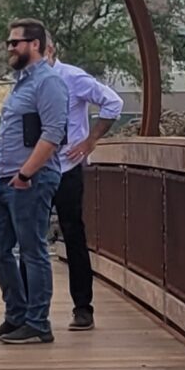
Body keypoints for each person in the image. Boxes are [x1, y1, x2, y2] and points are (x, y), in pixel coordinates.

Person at [0, 19, 70, 346]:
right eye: (8, 42)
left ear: (35, 45)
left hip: (29, 179)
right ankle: (16, 314)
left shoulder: (49, 83)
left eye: (15, 42)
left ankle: (37, 323)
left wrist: (25, 174)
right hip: (4, 179)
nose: (10, 48)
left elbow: (53, 134)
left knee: (32, 250)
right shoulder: (21, 83)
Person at [42, 37, 123, 330]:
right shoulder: (27, 81)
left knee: (73, 234)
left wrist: (91, 140)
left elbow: (113, 102)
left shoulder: (72, 77)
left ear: (49, 50)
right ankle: (31, 311)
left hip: (66, 167)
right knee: (30, 238)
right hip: (37, 168)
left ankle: (83, 308)